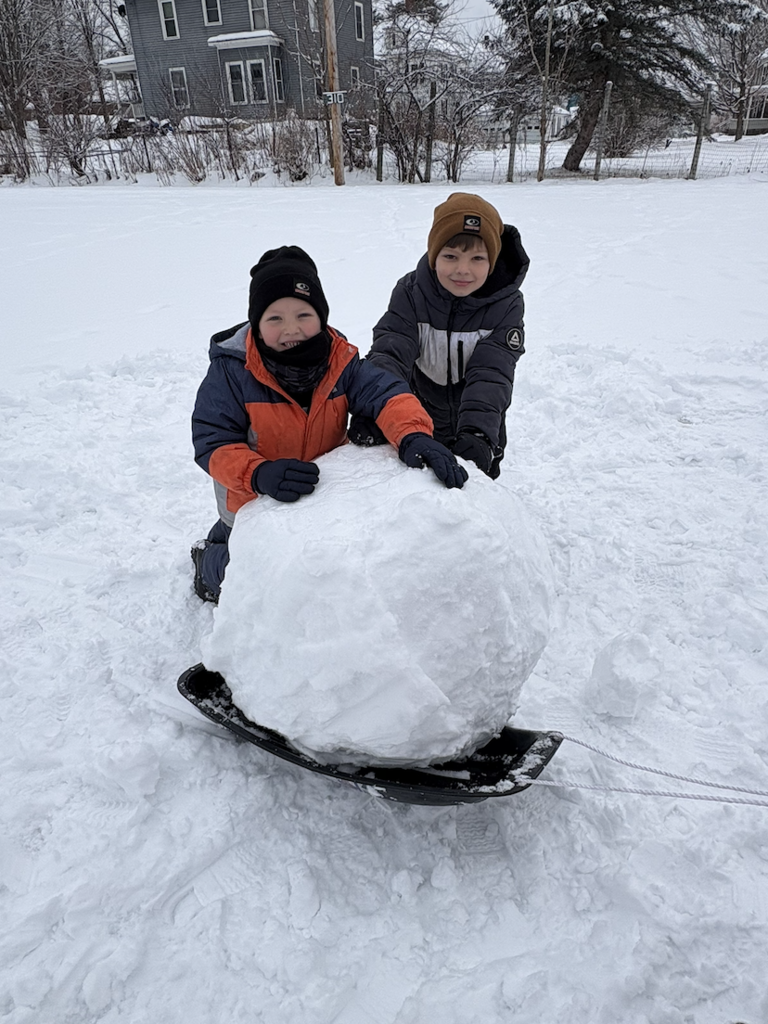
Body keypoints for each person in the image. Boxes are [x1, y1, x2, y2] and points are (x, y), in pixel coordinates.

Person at [191, 245, 467, 603]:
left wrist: (413, 434)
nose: (291, 329)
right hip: (251, 501)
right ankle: (206, 564)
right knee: (249, 581)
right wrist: (258, 474)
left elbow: (386, 393)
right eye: (275, 318)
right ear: (256, 324)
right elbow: (213, 441)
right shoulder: (231, 372)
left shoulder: (340, 362)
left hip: (316, 498)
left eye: (303, 315)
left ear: (321, 317)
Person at [349, 193, 529, 480]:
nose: (462, 270)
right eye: (450, 256)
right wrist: (380, 407)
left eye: (477, 258)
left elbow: (492, 372)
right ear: (434, 256)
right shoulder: (411, 293)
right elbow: (391, 352)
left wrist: (479, 434)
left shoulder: (506, 305)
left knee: (473, 491)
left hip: (481, 419)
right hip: (418, 412)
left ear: (492, 261)